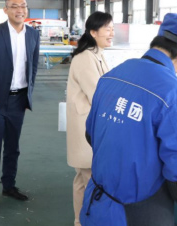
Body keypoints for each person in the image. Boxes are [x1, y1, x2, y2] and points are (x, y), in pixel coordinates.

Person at [80, 13, 177, 226]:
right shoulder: (173, 92)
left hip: (96, 204)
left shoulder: (113, 75)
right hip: (136, 213)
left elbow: (91, 133)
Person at [0, 0, 40, 211]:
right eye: (14, 6)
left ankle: (9, 185)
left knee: (13, 146)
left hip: (18, 99)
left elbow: (33, 66)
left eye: (23, 5)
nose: (19, 10)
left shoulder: (33, 34)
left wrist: (28, 92)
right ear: (5, 10)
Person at [66, 12, 113, 226]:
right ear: (93, 32)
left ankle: (79, 221)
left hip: (90, 125)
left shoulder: (97, 54)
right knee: (90, 179)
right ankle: (85, 221)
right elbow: (97, 94)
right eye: (107, 29)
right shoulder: (86, 58)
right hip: (87, 127)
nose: (111, 33)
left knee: (83, 179)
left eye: (112, 29)